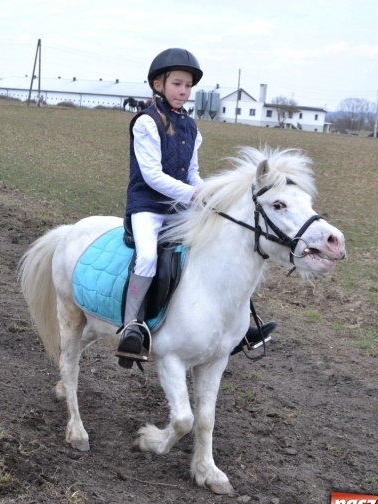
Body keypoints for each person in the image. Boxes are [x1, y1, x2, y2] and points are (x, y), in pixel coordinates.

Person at [117, 48, 276, 363]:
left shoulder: (190, 126)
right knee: (147, 257)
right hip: (148, 206)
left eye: (188, 86)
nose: (183, 91)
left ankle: (237, 328)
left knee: (221, 244)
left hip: (179, 208)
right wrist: (193, 194)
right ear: (158, 85)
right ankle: (131, 326)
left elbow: (191, 173)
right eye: (177, 84)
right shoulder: (146, 123)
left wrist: (207, 193)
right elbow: (152, 176)